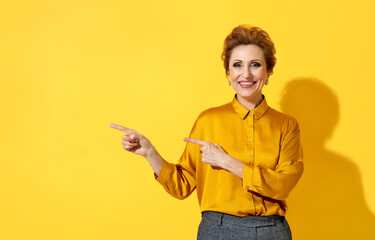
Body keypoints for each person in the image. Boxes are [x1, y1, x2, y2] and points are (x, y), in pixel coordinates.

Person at [110, 25, 304, 240]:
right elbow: (181, 187)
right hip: (217, 231)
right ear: (228, 74)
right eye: (237, 65)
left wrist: (227, 162)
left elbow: (282, 186)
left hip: (271, 231)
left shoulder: (286, 125)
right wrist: (149, 153)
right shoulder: (208, 120)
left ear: (268, 72)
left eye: (255, 65)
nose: (246, 73)